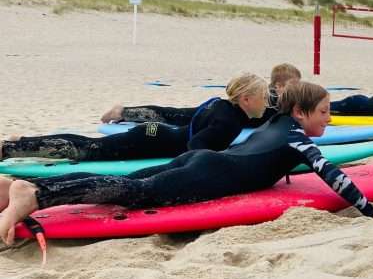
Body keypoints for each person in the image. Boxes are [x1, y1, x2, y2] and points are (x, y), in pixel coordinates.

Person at [0, 81, 373, 250]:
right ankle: (36, 193)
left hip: (202, 160)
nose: (330, 119)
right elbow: (332, 176)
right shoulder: (297, 137)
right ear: (301, 112)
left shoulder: (275, 121)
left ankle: (16, 186)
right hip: (210, 174)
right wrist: (370, 211)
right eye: (324, 112)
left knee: (127, 181)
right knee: (136, 193)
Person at [2, 74, 271, 162]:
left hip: (155, 132)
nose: (267, 101)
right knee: (89, 149)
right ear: (246, 99)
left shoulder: (225, 106)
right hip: (152, 140)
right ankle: (11, 148)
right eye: (263, 96)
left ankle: (21, 140)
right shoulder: (229, 122)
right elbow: (194, 150)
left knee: (91, 144)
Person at [100, 63, 300, 124]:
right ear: (280, 86)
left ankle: (126, 112)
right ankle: (123, 112)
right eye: (294, 84)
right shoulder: (272, 97)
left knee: (175, 115)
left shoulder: (278, 99)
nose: (298, 88)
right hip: (215, 112)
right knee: (175, 115)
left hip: (221, 112)